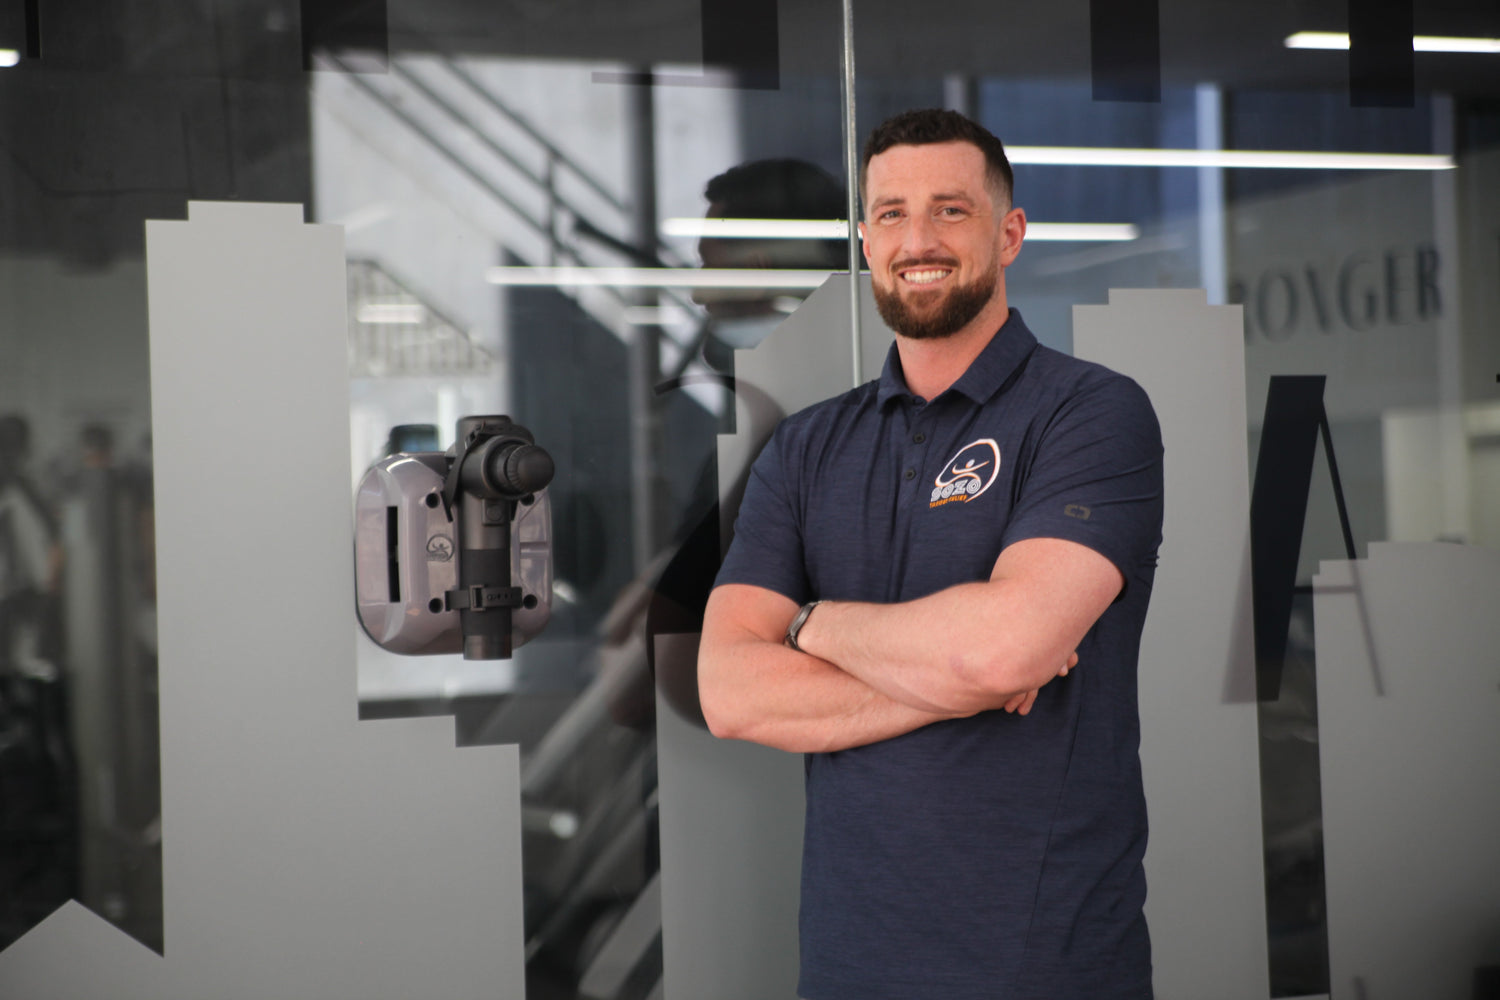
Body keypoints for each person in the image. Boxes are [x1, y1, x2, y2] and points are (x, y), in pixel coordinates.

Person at [699, 109, 1164, 999]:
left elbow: (1001, 649)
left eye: (952, 210)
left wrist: (806, 625)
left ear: (1009, 232)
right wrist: (965, 675)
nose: (920, 239)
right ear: (865, 239)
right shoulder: (806, 448)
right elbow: (726, 692)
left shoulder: (1090, 414)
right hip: (848, 966)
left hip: (1044, 967)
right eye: (892, 213)